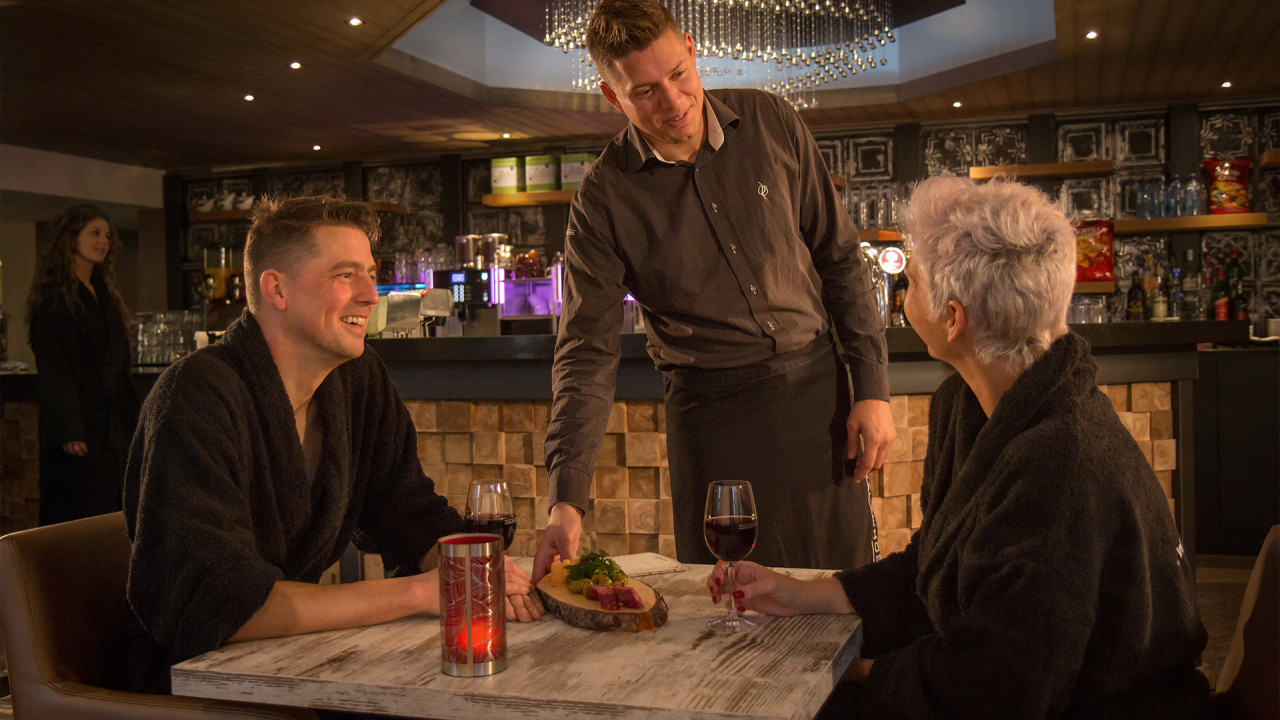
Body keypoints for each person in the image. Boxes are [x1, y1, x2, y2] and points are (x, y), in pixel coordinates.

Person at [707, 177, 1211, 719]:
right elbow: (934, 569)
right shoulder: (968, 407)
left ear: (953, 318)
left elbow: (999, 685)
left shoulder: (1061, 461)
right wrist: (800, 594)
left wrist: (843, 673)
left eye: (915, 281)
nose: (903, 295)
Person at [124, 196, 542, 695]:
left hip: (292, 667)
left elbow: (408, 514)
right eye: (345, 275)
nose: (372, 294)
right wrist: (421, 591)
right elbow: (217, 604)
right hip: (195, 686)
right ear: (275, 288)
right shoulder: (197, 395)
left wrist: (476, 573)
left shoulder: (357, 381)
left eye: (371, 272)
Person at [534, 0, 894, 577]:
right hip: (713, 419)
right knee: (733, 613)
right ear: (612, 96)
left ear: (694, 51)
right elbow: (586, 354)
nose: (673, 101)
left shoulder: (773, 122)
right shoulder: (603, 200)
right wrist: (566, 500)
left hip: (817, 399)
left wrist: (871, 387)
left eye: (678, 74)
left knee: (841, 599)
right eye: (645, 91)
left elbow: (841, 261)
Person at [26, 204, 140, 526]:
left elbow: (120, 362)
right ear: (71, 238)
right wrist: (68, 429)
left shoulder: (104, 294)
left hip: (110, 427)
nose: (103, 241)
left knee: (112, 509)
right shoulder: (54, 302)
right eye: (94, 233)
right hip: (78, 430)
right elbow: (54, 368)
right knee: (78, 511)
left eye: (106, 235)